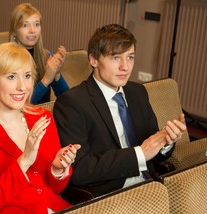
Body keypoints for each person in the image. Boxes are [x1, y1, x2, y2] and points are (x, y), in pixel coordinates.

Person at [53, 24, 187, 203]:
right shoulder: (72, 103)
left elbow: (153, 147)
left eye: (130, 57)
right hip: (110, 193)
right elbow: (80, 168)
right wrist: (140, 154)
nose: (125, 67)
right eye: (115, 58)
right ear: (93, 60)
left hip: (151, 183)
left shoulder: (137, 92)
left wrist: (165, 141)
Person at [0, 42, 80, 214]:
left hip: (56, 213)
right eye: (11, 77)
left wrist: (57, 170)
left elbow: (56, 188)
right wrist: (23, 162)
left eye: (27, 76)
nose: (22, 87)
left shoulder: (42, 117)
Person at [9, 3, 69, 104]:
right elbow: (21, 104)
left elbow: (67, 98)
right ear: (15, 30)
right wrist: (46, 79)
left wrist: (56, 74)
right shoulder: (8, 59)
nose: (32, 30)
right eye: (25, 25)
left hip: (44, 116)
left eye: (36, 24)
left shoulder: (46, 55)